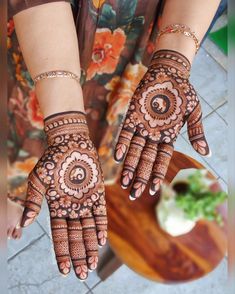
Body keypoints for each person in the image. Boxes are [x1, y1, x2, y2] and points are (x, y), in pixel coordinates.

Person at [7, 0, 223, 281]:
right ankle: (13, 190)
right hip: (41, 33)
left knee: (114, 126)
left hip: (136, 35)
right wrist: (65, 125)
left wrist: (173, 59)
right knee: (31, 119)